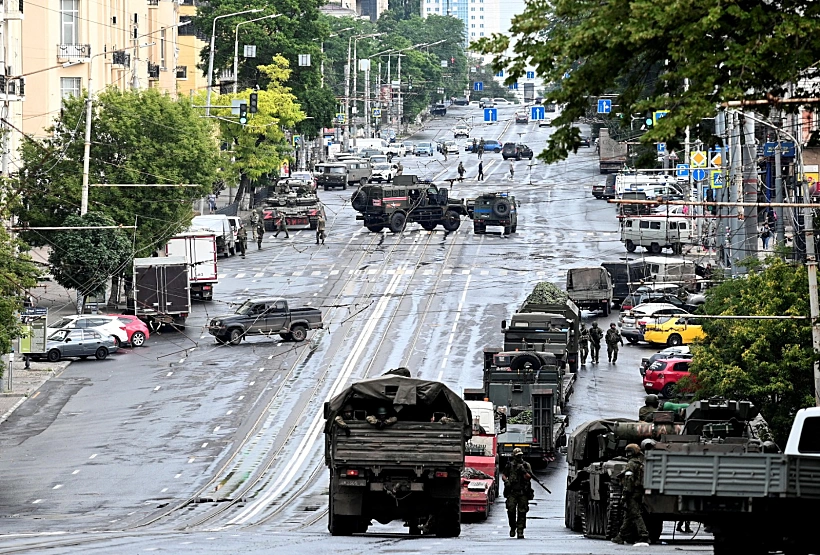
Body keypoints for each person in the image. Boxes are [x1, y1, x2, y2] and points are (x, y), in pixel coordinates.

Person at [612, 444, 650, 545]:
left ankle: (643, 534)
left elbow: (628, 481)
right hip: (638, 492)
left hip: (632, 492)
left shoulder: (631, 464)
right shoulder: (640, 463)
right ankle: (620, 536)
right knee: (629, 515)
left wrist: (624, 494)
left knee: (635, 514)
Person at [502, 447, 534, 539]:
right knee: (511, 510)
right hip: (512, 492)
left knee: (522, 512)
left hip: (522, 492)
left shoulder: (526, 465)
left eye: (520, 456)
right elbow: (504, 475)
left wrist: (523, 471)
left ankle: (520, 530)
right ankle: (513, 527)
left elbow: (529, 477)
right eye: (517, 456)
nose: (519, 458)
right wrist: (506, 481)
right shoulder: (510, 465)